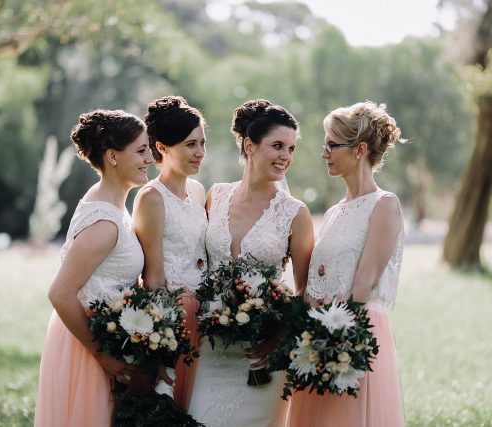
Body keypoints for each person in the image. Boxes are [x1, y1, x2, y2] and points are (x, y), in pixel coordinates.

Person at [188, 99, 315, 427]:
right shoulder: (215, 195)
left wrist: (278, 338)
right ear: (249, 145)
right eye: (277, 146)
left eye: (291, 148)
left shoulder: (295, 213)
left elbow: (306, 291)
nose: (285, 157)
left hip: (262, 358)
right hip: (210, 348)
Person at [288, 101, 406, 427]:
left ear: (359, 150)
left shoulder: (384, 205)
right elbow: (316, 280)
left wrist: (335, 344)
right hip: (319, 337)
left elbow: (362, 285)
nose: (324, 153)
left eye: (331, 145)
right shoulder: (332, 212)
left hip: (353, 333)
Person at [34, 109, 155, 426]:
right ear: (113, 157)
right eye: (141, 151)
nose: (150, 159)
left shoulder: (112, 203)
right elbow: (60, 293)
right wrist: (102, 353)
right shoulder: (104, 221)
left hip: (104, 342)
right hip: (90, 351)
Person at [132, 95, 208, 410]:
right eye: (190, 145)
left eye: (203, 143)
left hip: (204, 316)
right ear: (162, 147)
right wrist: (161, 342)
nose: (200, 152)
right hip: (172, 317)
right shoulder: (151, 198)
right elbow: (152, 276)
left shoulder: (198, 190)